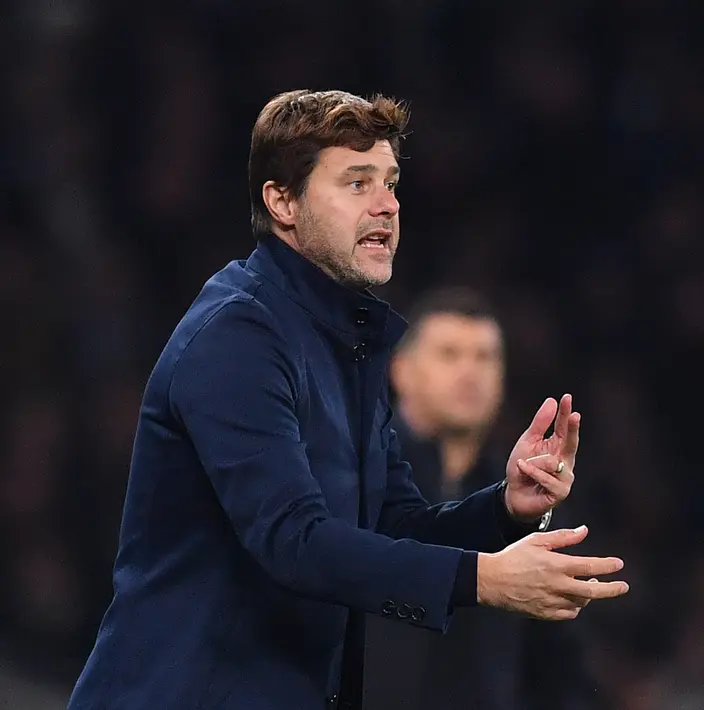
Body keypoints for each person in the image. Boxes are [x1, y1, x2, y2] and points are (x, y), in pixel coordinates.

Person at [67, 89, 629, 710]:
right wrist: (484, 578)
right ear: (281, 201)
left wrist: (504, 510)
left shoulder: (345, 342)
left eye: (390, 183)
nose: (387, 206)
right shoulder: (237, 336)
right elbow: (294, 542)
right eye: (357, 183)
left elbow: (395, 523)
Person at [365, 286, 602, 710]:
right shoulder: (359, 474)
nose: (469, 373)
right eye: (449, 355)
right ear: (401, 370)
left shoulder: (533, 495)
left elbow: (560, 663)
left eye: (485, 357)